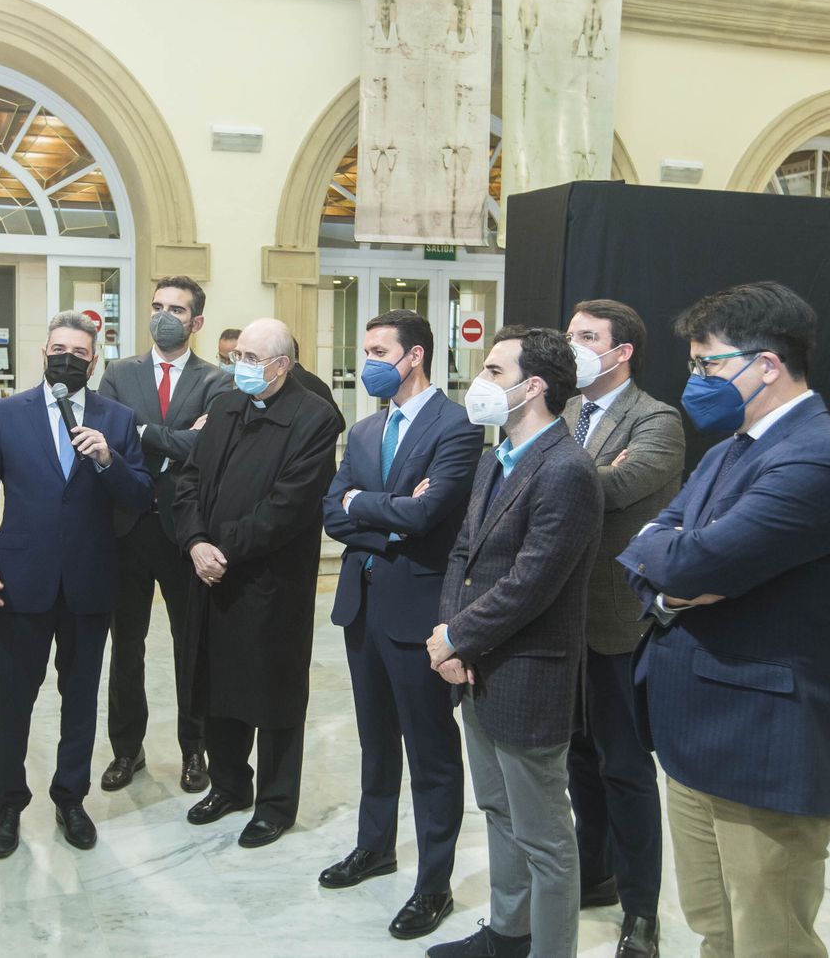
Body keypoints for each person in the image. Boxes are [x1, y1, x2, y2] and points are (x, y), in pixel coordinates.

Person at [617, 282, 830, 958]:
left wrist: (673, 571)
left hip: (762, 743)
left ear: (767, 364)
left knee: (769, 940)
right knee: (714, 925)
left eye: (709, 364)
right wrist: (675, 580)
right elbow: (659, 542)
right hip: (695, 731)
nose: (696, 379)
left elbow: (691, 558)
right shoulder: (735, 446)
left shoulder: (822, 456)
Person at [426, 326, 604, 958]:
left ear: (534, 386)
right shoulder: (493, 457)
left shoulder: (567, 469)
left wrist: (455, 635)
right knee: (498, 815)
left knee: (547, 841)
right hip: (476, 668)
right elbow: (463, 557)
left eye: (494, 372)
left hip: (529, 675)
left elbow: (533, 583)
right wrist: (452, 643)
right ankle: (507, 935)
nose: (482, 383)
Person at [0, 311, 153, 859]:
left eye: (78, 351)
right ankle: (8, 804)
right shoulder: (5, 414)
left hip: (89, 584)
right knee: (14, 699)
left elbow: (140, 497)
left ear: (94, 361)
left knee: (80, 700)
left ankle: (71, 798)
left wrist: (108, 460)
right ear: (44, 355)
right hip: (20, 583)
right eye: (57, 348)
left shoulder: (117, 419)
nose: (67, 358)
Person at [321, 309, 483, 942]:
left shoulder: (458, 425)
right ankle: (375, 846)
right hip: (360, 606)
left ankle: (434, 882)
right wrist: (383, 511)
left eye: (379, 349)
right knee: (375, 741)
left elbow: (431, 513)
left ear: (414, 356)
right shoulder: (364, 430)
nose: (369, 361)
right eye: (366, 349)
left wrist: (375, 510)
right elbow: (333, 513)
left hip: (420, 613)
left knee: (431, 751)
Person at [173, 318, 343, 848]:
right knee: (218, 681)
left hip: (271, 580)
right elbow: (189, 478)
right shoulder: (226, 405)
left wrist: (225, 548)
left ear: (282, 365)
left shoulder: (315, 419)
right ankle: (228, 784)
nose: (237, 367)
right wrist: (196, 541)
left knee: (273, 693)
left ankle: (274, 802)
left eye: (249, 358)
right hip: (212, 571)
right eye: (236, 357)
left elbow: (289, 506)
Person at [562, 300, 685, 958]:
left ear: (622, 350)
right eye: (569, 333)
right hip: (562, 620)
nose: (571, 344)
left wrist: (563, 474)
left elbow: (606, 490)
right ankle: (595, 871)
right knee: (580, 759)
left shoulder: (658, 420)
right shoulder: (564, 413)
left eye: (586, 336)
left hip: (618, 623)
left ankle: (641, 912)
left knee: (627, 769)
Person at [97, 276, 234, 795]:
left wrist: (142, 435)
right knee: (125, 646)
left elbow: (208, 449)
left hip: (186, 533)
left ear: (196, 321)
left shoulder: (216, 381)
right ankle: (126, 750)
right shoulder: (118, 373)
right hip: (127, 529)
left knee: (190, 646)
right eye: (157, 305)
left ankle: (193, 749)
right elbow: (112, 441)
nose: (164, 315)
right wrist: (176, 441)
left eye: (176, 309)